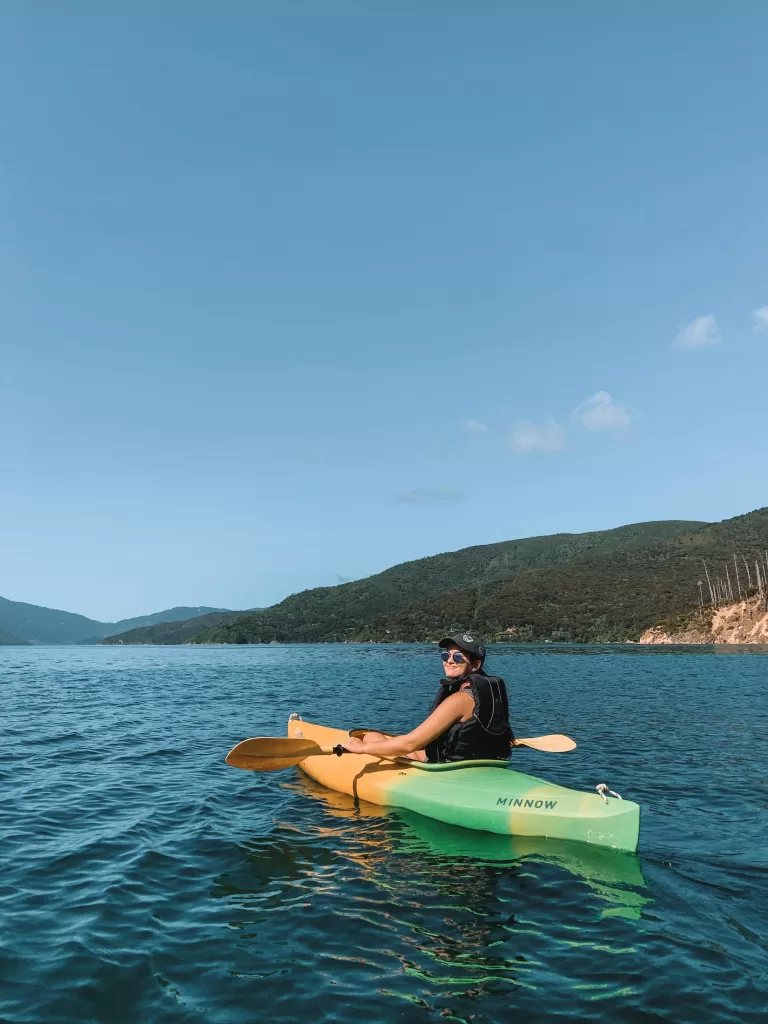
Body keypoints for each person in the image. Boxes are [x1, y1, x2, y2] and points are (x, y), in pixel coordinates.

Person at [342, 632, 513, 763]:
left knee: (369, 738)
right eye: (446, 655)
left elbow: (409, 744)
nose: (449, 661)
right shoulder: (488, 693)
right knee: (374, 737)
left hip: (450, 768)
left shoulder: (460, 699)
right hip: (478, 762)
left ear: (476, 665)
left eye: (458, 656)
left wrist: (362, 749)